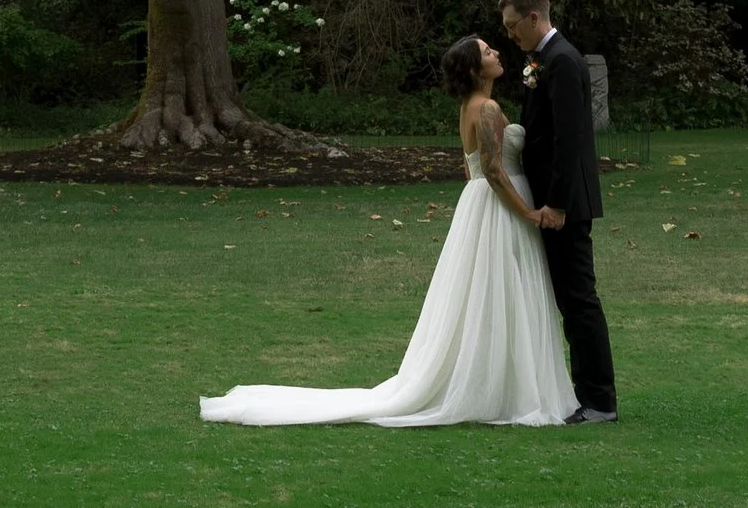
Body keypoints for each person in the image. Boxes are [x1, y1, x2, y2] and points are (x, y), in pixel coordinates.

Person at [198, 35, 575, 428]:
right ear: (473, 69)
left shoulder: (468, 107)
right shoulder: (488, 108)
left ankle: (498, 385)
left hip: (478, 204)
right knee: (502, 291)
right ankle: (509, 389)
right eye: (486, 52)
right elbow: (494, 172)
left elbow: (471, 169)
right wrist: (529, 213)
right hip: (500, 208)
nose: (496, 53)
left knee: (489, 293)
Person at [499, 0, 618, 424]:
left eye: (514, 26)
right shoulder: (542, 60)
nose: (510, 36)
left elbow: (570, 141)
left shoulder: (563, 61)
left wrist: (558, 204)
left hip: (566, 205)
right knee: (569, 298)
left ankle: (600, 400)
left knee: (579, 298)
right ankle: (581, 391)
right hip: (553, 200)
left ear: (535, 17)